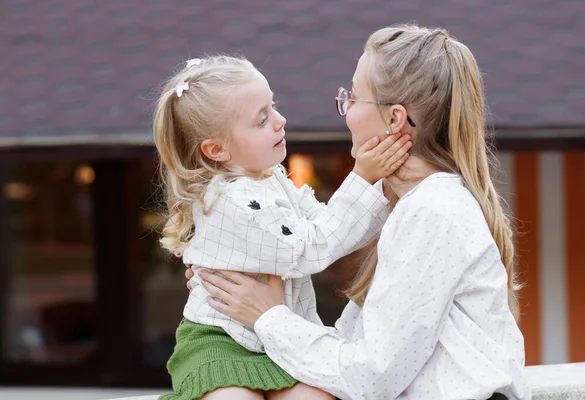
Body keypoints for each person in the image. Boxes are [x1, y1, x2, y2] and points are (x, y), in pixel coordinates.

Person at [193, 24, 531, 400]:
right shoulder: (411, 205)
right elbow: (362, 354)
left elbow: (373, 376)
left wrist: (268, 317)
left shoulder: (431, 213)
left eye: (353, 98)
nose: (346, 111)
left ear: (394, 119)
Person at [152, 55, 412, 400]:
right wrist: (363, 177)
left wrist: (387, 187)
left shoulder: (271, 178)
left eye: (273, 107)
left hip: (279, 337)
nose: (280, 121)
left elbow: (329, 226)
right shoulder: (233, 200)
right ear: (217, 150)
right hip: (222, 340)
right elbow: (311, 248)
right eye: (262, 120)